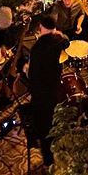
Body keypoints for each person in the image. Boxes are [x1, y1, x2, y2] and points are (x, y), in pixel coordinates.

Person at [27, 13, 69, 166]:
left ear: (41, 27)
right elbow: (67, 43)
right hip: (53, 87)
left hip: (40, 91)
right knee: (53, 116)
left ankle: (48, 160)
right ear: (54, 28)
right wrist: (59, 34)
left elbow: (31, 74)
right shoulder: (58, 40)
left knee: (43, 125)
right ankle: (58, 145)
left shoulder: (37, 48)